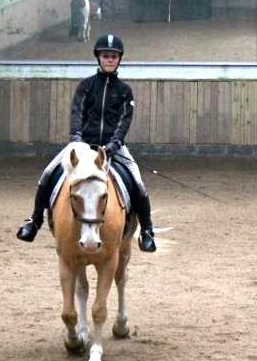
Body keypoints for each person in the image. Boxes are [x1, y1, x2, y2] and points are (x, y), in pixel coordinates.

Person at [16, 34, 156, 252]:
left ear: (119, 59)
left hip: (113, 148)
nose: (109, 59)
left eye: (113, 56)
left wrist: (113, 145)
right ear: (98, 58)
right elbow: (76, 113)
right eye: (105, 56)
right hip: (83, 146)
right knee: (48, 172)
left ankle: (147, 231)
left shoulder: (124, 91)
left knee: (138, 182)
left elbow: (124, 121)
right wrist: (77, 138)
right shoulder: (86, 86)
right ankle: (34, 221)